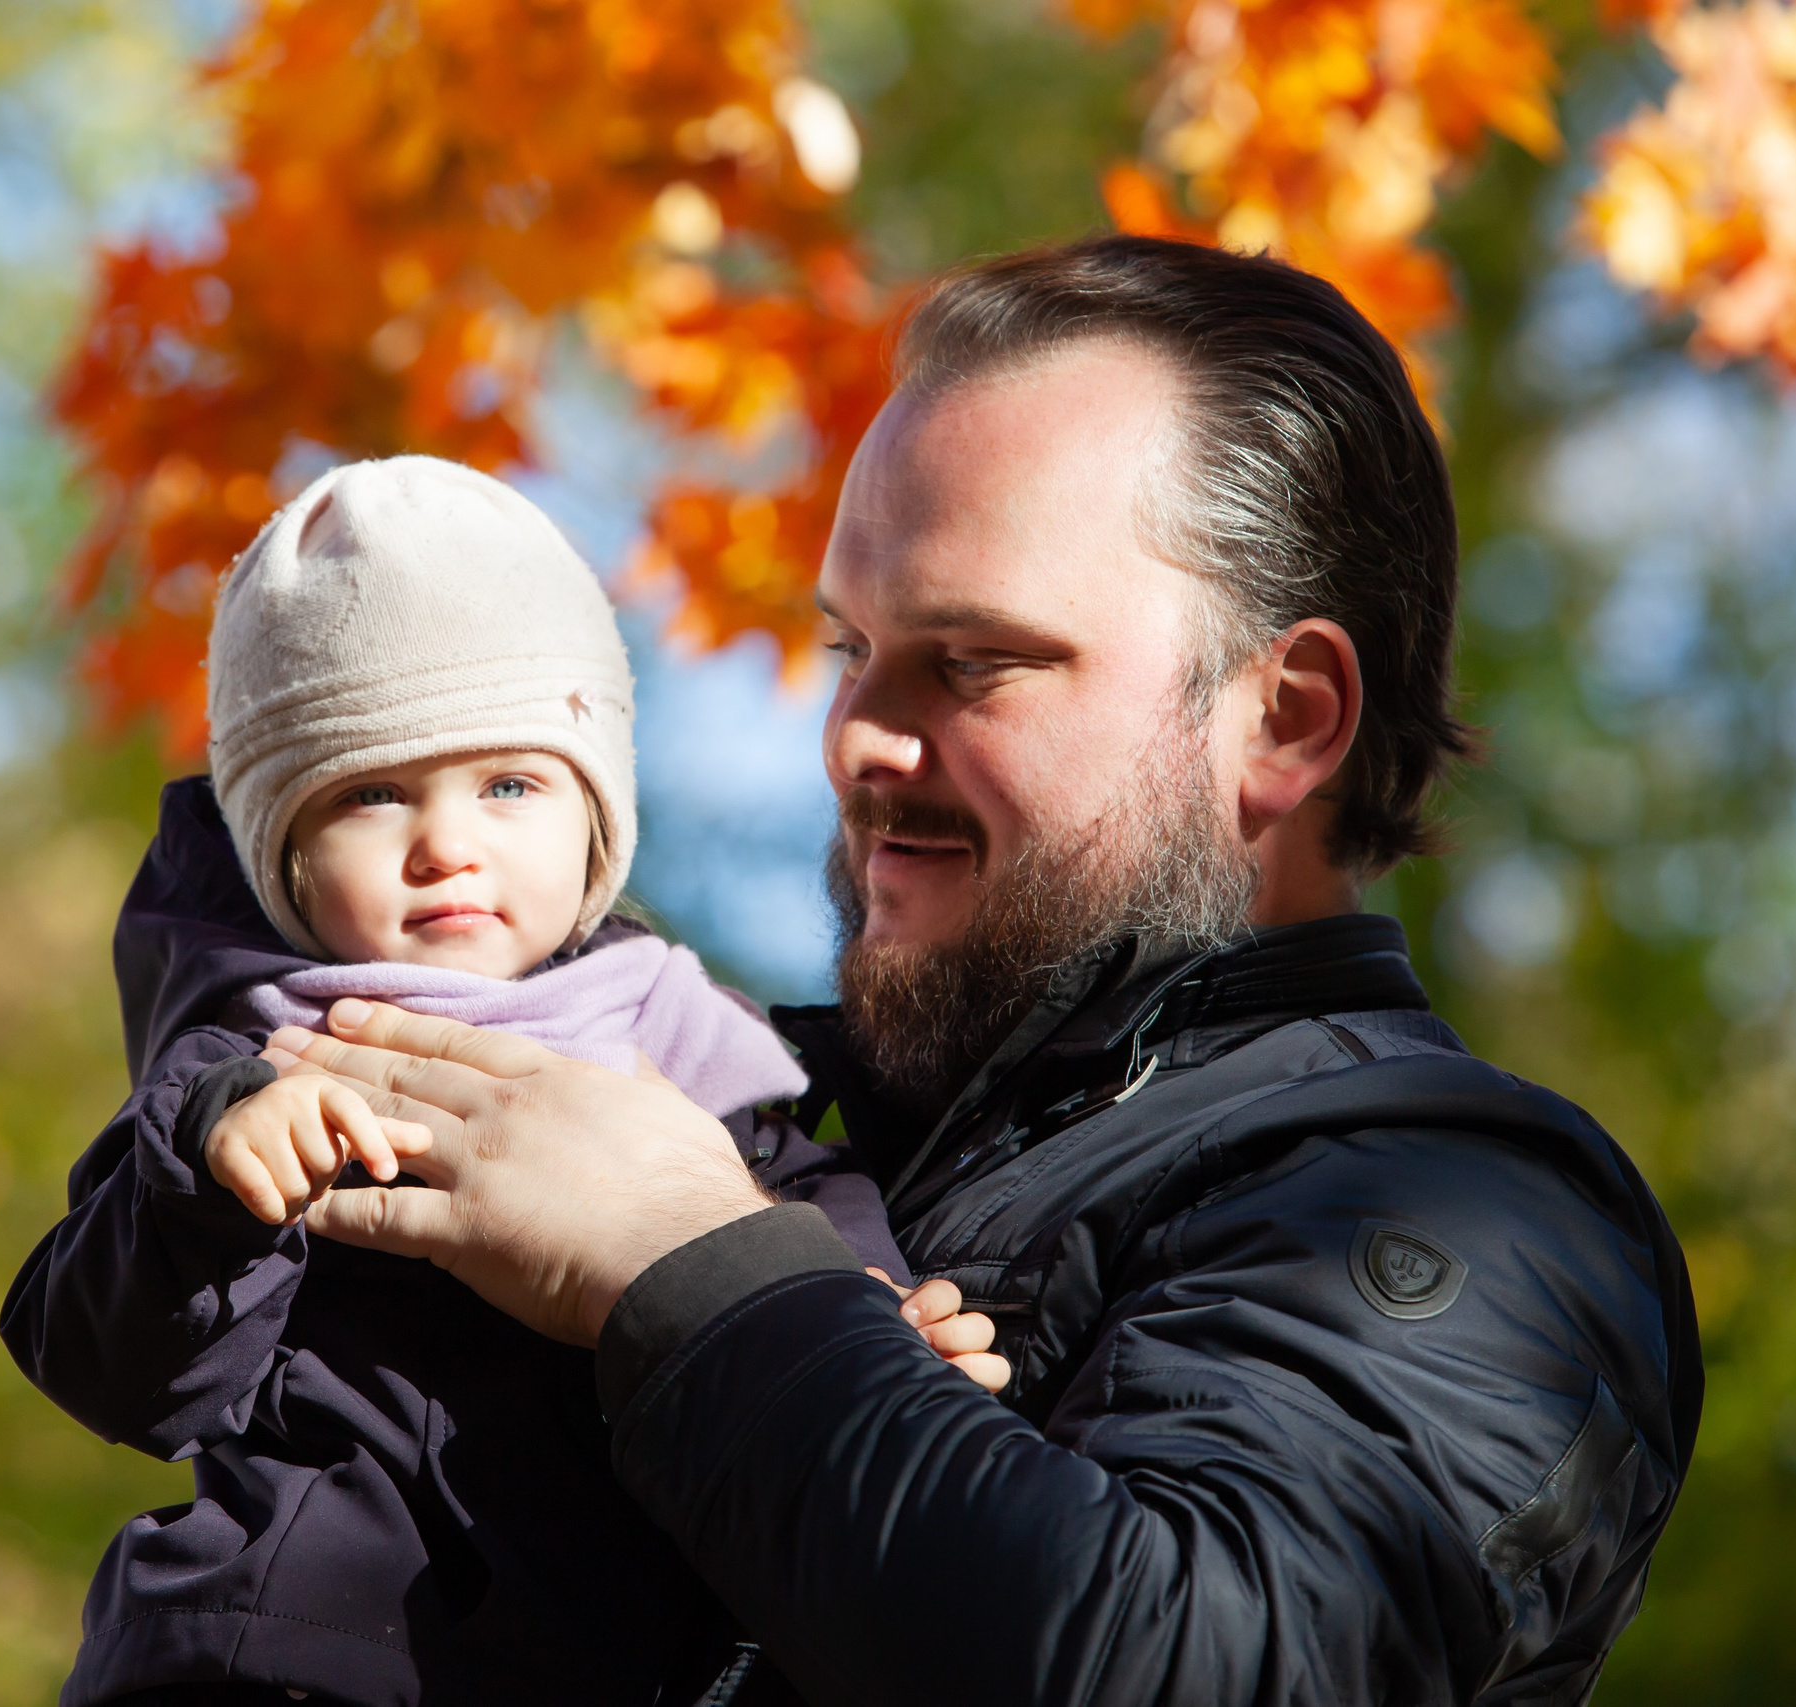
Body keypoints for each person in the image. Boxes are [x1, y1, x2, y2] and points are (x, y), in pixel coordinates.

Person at [271, 239, 1705, 1706]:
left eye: (971, 662)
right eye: (852, 646)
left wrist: (689, 1263)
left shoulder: (1463, 1193)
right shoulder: (774, 1116)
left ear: (1284, 719)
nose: (856, 738)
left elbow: (1204, 1667)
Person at [0, 456, 992, 1707]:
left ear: (593, 820)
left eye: (509, 785)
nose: (446, 844)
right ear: (286, 861)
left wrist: (875, 1324)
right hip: (295, 1654)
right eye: (371, 795)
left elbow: (793, 1228)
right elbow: (103, 1359)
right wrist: (213, 1173)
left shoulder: (688, 1057)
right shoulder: (270, 1057)